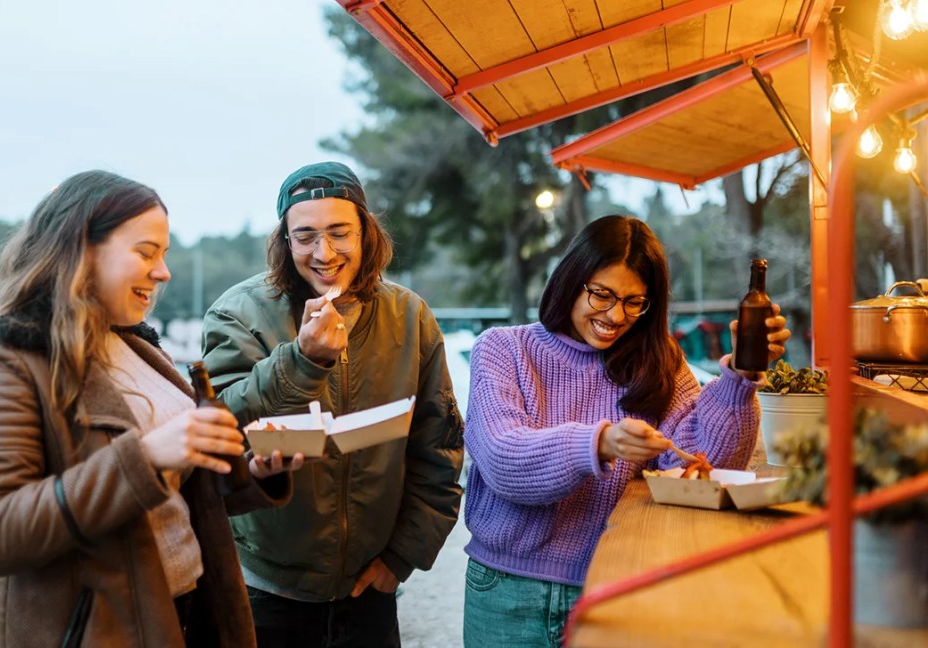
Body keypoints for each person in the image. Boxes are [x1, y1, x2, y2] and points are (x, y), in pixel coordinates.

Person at [0, 170, 299, 647]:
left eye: (164, 254)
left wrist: (253, 470)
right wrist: (145, 457)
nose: (163, 271)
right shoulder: (1, 362)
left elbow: (174, 494)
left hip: (183, 612)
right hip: (93, 632)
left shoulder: (137, 347)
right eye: (145, 252)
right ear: (80, 250)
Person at [461, 214, 792, 647]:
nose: (615, 315)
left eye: (634, 302)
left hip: (615, 586)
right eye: (602, 294)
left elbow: (705, 464)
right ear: (571, 279)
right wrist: (600, 443)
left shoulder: (658, 365)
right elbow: (504, 459)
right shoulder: (503, 349)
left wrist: (739, 378)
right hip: (508, 590)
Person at [200, 161, 465, 647]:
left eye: (339, 233)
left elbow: (440, 446)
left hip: (369, 591)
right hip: (265, 589)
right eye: (305, 237)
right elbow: (218, 426)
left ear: (366, 232)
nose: (323, 253)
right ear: (284, 241)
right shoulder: (238, 312)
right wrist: (302, 361)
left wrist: (401, 557)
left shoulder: (410, 315)